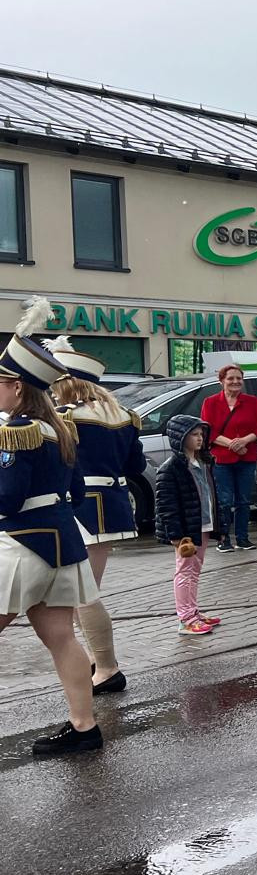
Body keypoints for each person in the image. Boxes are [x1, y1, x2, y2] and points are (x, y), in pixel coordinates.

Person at [0, 310, 104, 756]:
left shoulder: (17, 432)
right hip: (64, 545)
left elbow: (6, 500)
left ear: (17, 387)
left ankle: (84, 727)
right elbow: (77, 493)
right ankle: (85, 727)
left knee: (60, 637)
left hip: (21, 544)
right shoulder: (61, 429)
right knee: (62, 637)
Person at [47, 340, 145, 693]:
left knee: (83, 592)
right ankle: (95, 660)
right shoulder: (125, 416)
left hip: (80, 506)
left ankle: (106, 667)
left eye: (55, 385)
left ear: (67, 383)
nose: (52, 392)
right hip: (113, 503)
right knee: (80, 590)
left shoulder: (66, 416)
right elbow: (137, 465)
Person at [156, 416, 219, 638]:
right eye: (194, 434)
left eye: (201, 434)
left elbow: (211, 494)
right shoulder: (171, 468)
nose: (200, 438)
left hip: (202, 523)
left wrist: (218, 524)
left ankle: (193, 611)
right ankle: (185, 618)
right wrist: (176, 535)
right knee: (185, 571)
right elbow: (167, 505)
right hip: (187, 530)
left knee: (195, 570)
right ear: (180, 437)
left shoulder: (203, 463)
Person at [199, 363, 257, 552]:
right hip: (221, 459)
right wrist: (232, 444)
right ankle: (223, 539)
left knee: (243, 501)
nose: (235, 381)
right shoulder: (210, 402)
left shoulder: (254, 402)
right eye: (230, 378)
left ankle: (243, 539)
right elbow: (207, 430)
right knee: (224, 501)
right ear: (221, 381)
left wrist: (244, 441)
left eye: (239, 378)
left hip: (247, 457)